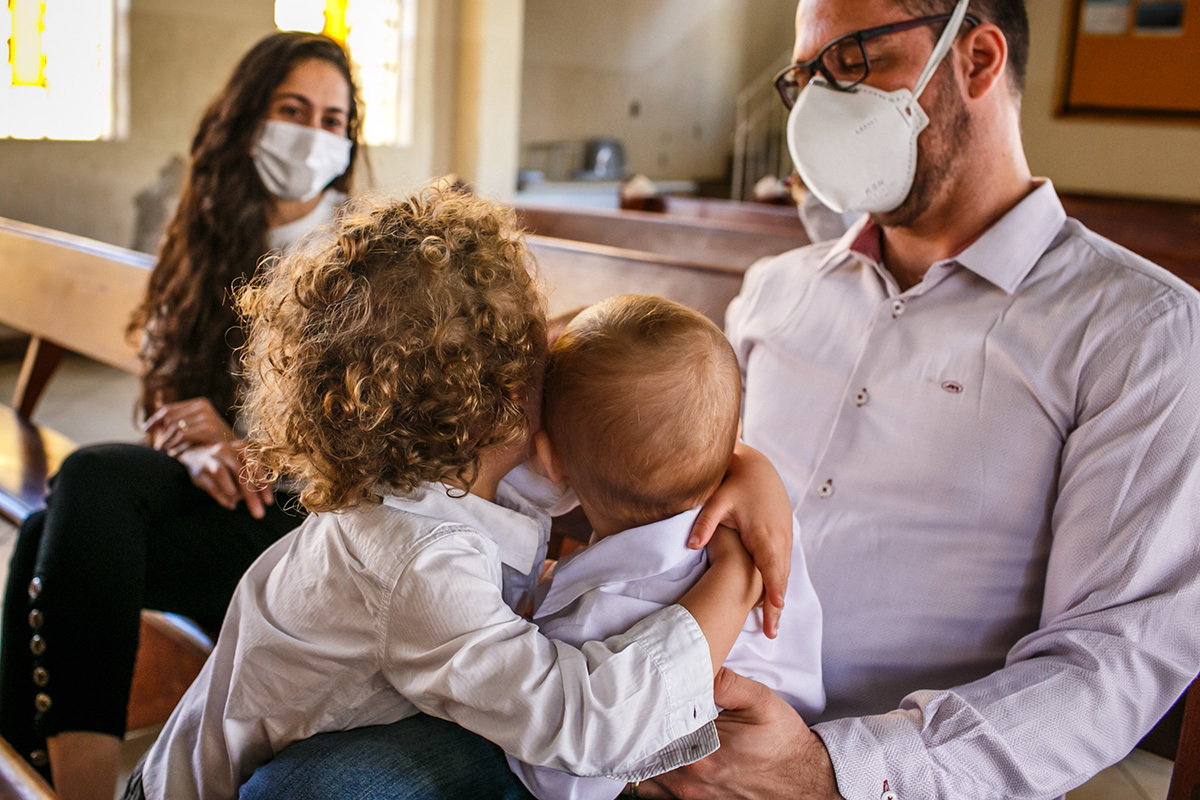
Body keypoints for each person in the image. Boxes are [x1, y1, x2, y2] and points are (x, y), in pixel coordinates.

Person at [636, 0, 1200, 798]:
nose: (826, 101)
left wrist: (829, 774)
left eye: (855, 60)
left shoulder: (1138, 331)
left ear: (976, 59)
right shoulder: (776, 292)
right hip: (681, 737)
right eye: (808, 77)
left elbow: (1112, 662)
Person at [129, 189, 772, 800]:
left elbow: (634, 427)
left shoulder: (441, 465)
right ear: (497, 403)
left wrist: (745, 465)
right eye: (533, 347)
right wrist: (736, 579)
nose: (553, 350)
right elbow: (587, 724)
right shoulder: (418, 560)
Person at [0, 31, 362, 800]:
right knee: (55, 525)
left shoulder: (359, 258)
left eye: (333, 121)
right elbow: (170, 392)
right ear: (248, 121)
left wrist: (242, 446)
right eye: (293, 110)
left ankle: (59, 783)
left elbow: (368, 454)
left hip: (310, 531)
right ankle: (47, 778)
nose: (314, 135)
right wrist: (194, 450)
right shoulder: (206, 232)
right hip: (220, 503)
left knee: (81, 491)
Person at [506, 294, 825, 800]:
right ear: (732, 440)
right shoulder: (767, 531)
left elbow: (559, 778)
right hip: (795, 732)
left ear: (552, 461)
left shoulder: (594, 614)